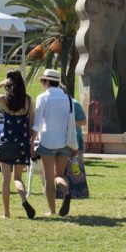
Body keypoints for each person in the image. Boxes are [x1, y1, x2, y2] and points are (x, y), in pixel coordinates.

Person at [0, 70, 36, 219]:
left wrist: (2, 83)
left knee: (5, 179)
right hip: (22, 143)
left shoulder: (3, 99)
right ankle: (24, 199)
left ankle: (7, 213)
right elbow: (32, 123)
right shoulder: (28, 100)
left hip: (6, 142)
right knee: (18, 178)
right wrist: (32, 142)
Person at [32, 69, 77, 216]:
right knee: (59, 175)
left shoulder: (43, 97)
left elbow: (37, 123)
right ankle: (66, 192)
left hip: (47, 141)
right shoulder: (68, 98)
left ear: (46, 81)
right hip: (64, 142)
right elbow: (72, 122)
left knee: (49, 178)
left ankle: (52, 211)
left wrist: (31, 142)